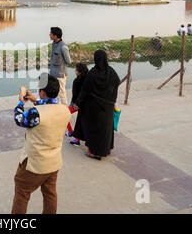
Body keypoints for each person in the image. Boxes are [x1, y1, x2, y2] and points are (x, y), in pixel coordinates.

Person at [11, 73, 71, 214]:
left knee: (22, 192)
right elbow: (49, 110)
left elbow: (19, 119)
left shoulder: (35, 113)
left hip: (34, 163)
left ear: (42, 92)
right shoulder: (65, 110)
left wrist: (21, 102)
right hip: (54, 162)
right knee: (50, 194)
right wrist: (36, 100)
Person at [72, 50, 120, 160]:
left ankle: (94, 153)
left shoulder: (92, 73)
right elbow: (117, 82)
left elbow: (84, 90)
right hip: (108, 107)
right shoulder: (111, 72)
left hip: (94, 107)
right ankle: (105, 150)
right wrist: (109, 95)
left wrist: (78, 103)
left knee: (93, 129)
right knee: (106, 129)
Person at [66, 63, 89, 147]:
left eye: (75, 70)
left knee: (65, 114)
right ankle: (76, 138)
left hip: (77, 104)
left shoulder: (77, 81)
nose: (74, 71)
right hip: (87, 104)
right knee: (80, 120)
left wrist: (75, 104)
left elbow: (75, 95)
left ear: (79, 72)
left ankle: (70, 131)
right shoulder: (89, 79)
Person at [49, 27, 71, 106]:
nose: (49, 35)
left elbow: (68, 61)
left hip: (60, 75)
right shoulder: (54, 43)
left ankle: (65, 110)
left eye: (51, 34)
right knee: (55, 93)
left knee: (61, 93)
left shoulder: (63, 47)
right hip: (53, 74)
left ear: (55, 36)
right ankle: (58, 109)